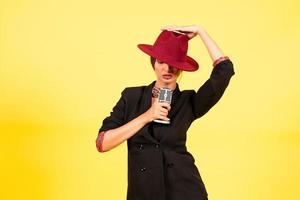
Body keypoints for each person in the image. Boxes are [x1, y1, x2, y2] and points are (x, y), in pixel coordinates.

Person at [96, 24, 235, 200]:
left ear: (182, 66)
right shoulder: (131, 97)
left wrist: (201, 31)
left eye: (173, 63)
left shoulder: (189, 101)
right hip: (143, 193)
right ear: (153, 62)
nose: (167, 69)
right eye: (161, 62)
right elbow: (103, 143)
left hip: (185, 191)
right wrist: (147, 116)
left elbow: (225, 71)